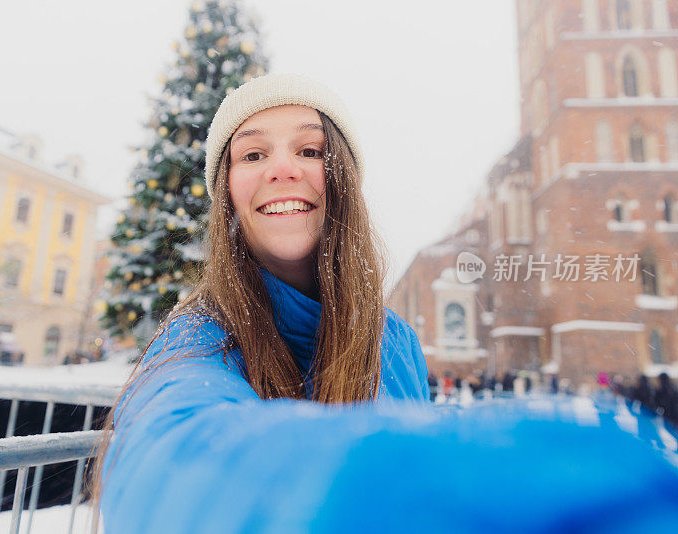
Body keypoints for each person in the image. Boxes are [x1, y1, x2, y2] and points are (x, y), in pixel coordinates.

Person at [94, 74, 678, 532]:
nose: (281, 168)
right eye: (251, 155)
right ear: (226, 193)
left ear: (343, 176)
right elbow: (173, 453)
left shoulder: (390, 338)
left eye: (310, 149)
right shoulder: (196, 334)